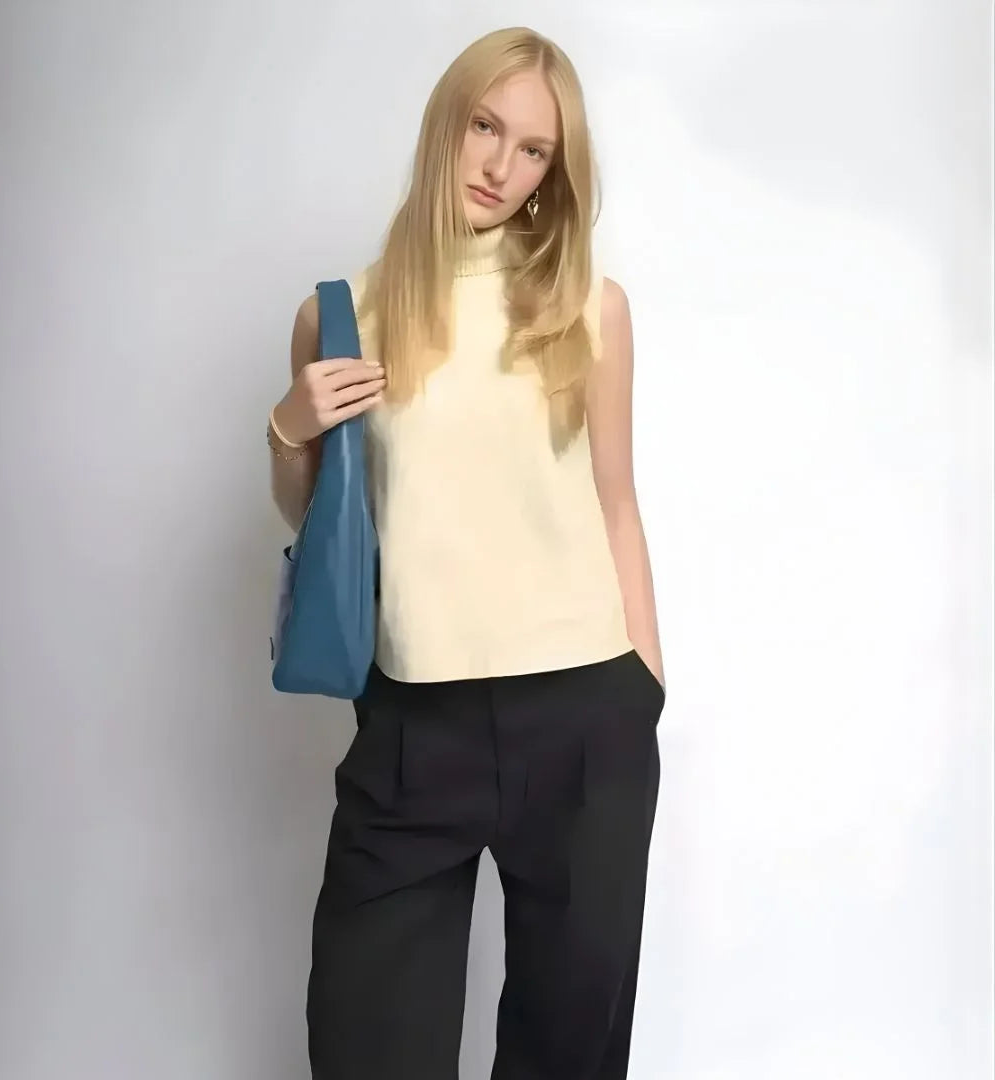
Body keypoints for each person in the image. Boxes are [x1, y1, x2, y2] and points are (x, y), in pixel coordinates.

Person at [267, 25, 666, 1080]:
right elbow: (318, 522)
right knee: (367, 1046)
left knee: (568, 1054)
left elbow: (617, 502)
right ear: (446, 122)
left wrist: (645, 686)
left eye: (533, 150)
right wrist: (289, 428)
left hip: (584, 713)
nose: (500, 166)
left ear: (552, 173)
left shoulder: (592, 308)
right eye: (485, 127)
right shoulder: (342, 316)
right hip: (414, 724)